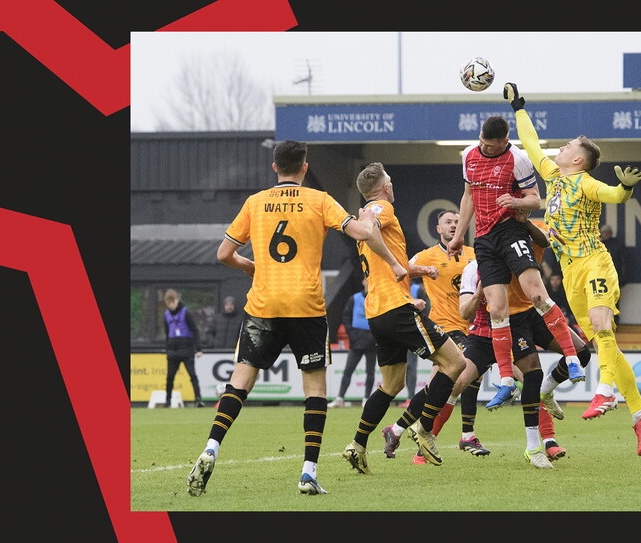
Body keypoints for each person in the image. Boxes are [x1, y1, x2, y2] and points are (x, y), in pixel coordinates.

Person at [186, 140, 399, 497]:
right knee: (314, 389)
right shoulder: (319, 199)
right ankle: (308, 472)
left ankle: (211, 447)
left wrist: (251, 266)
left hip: (264, 304)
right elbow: (363, 233)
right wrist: (367, 220)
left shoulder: (255, 203)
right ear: (304, 167)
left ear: (275, 168)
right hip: (306, 306)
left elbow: (224, 253)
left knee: (240, 382)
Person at [505, 82, 641, 456]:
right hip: (570, 272)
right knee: (603, 342)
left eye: (571, 145)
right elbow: (530, 142)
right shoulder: (554, 178)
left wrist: (625, 189)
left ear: (579, 159)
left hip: (594, 262)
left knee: (603, 327)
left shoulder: (586, 183)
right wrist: (519, 108)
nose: (565, 146)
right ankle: (640, 414)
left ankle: (604, 390)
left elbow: (613, 195)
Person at [447, 114, 585, 408]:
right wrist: (459, 236)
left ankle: (572, 359)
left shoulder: (517, 159)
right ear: (481, 138)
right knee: (497, 309)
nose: (492, 149)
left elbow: (535, 198)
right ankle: (508, 381)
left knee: (537, 294)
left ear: (505, 141)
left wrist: (516, 202)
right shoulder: (469, 156)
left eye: (497, 146)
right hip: (483, 241)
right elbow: (468, 196)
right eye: (487, 144)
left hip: (510, 232)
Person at [429, 216, 590, 468]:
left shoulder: (525, 238)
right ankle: (536, 445)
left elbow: (544, 239)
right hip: (495, 328)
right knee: (461, 382)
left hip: (534, 312)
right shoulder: (478, 262)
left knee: (582, 354)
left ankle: (546, 394)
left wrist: (523, 220)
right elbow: (466, 311)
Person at [342, 162, 468, 472]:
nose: (392, 185)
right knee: (456, 363)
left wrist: (415, 269)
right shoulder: (379, 207)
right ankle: (424, 427)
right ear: (384, 186)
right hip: (395, 307)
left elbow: (384, 259)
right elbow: (372, 231)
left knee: (392, 385)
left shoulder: (368, 215)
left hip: (377, 312)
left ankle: (357, 444)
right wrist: (399, 267)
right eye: (390, 180)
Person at [381, 209, 479, 463]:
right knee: (466, 371)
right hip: (444, 327)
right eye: (448, 222)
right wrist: (410, 298)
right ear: (438, 229)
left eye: (457, 222)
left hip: (470, 326)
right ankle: (465, 433)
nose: (453, 225)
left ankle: (398, 431)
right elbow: (399, 272)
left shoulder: (473, 254)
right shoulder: (426, 256)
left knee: (441, 387)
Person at [329, 278, 378, 408]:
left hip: (371, 341)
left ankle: (366, 398)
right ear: (363, 282)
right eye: (366, 280)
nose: (368, 282)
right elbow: (346, 317)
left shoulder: (377, 298)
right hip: (356, 340)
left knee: (370, 372)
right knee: (348, 370)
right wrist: (352, 334)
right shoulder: (354, 298)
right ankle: (340, 398)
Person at [162, 288, 204, 408]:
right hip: (173, 350)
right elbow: (167, 332)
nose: (171, 305)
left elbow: (195, 330)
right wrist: (167, 349)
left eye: (172, 302)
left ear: (177, 300)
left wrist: (199, 348)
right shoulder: (166, 315)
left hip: (187, 349)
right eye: (168, 303)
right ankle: (168, 400)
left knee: (192, 375)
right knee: (170, 377)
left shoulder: (185, 312)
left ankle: (198, 399)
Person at [402, 277, 431, 406]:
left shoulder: (417, 289)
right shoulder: (395, 288)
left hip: (413, 332)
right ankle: (409, 397)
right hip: (399, 331)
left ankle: (410, 397)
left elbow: (426, 309)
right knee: (405, 366)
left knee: (411, 366)